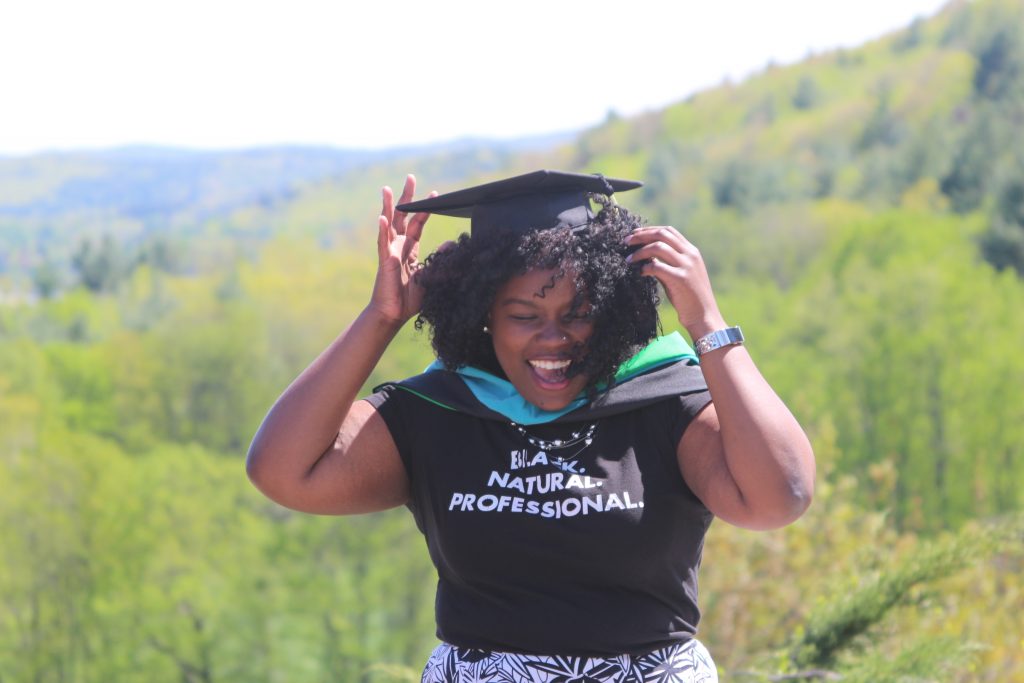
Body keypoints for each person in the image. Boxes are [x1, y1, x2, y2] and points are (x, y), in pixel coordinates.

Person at [246, 170, 816, 683]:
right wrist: (382, 318)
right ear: (483, 318)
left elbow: (780, 496)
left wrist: (706, 322)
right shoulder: (440, 411)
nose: (554, 339)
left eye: (580, 313)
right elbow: (282, 470)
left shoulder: (664, 401)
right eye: (523, 316)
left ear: (613, 309)